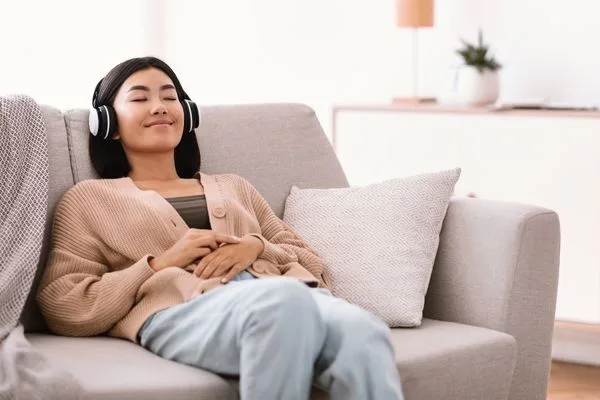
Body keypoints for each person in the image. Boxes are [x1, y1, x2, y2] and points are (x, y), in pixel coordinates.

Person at [36, 56, 403, 400]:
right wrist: (160, 264)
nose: (161, 106)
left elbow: (310, 262)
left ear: (188, 114)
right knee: (283, 302)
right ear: (108, 124)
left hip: (287, 296)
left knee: (364, 332)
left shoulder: (233, 186)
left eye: (171, 97)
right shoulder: (89, 199)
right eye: (140, 98)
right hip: (185, 310)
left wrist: (257, 247)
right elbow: (63, 302)